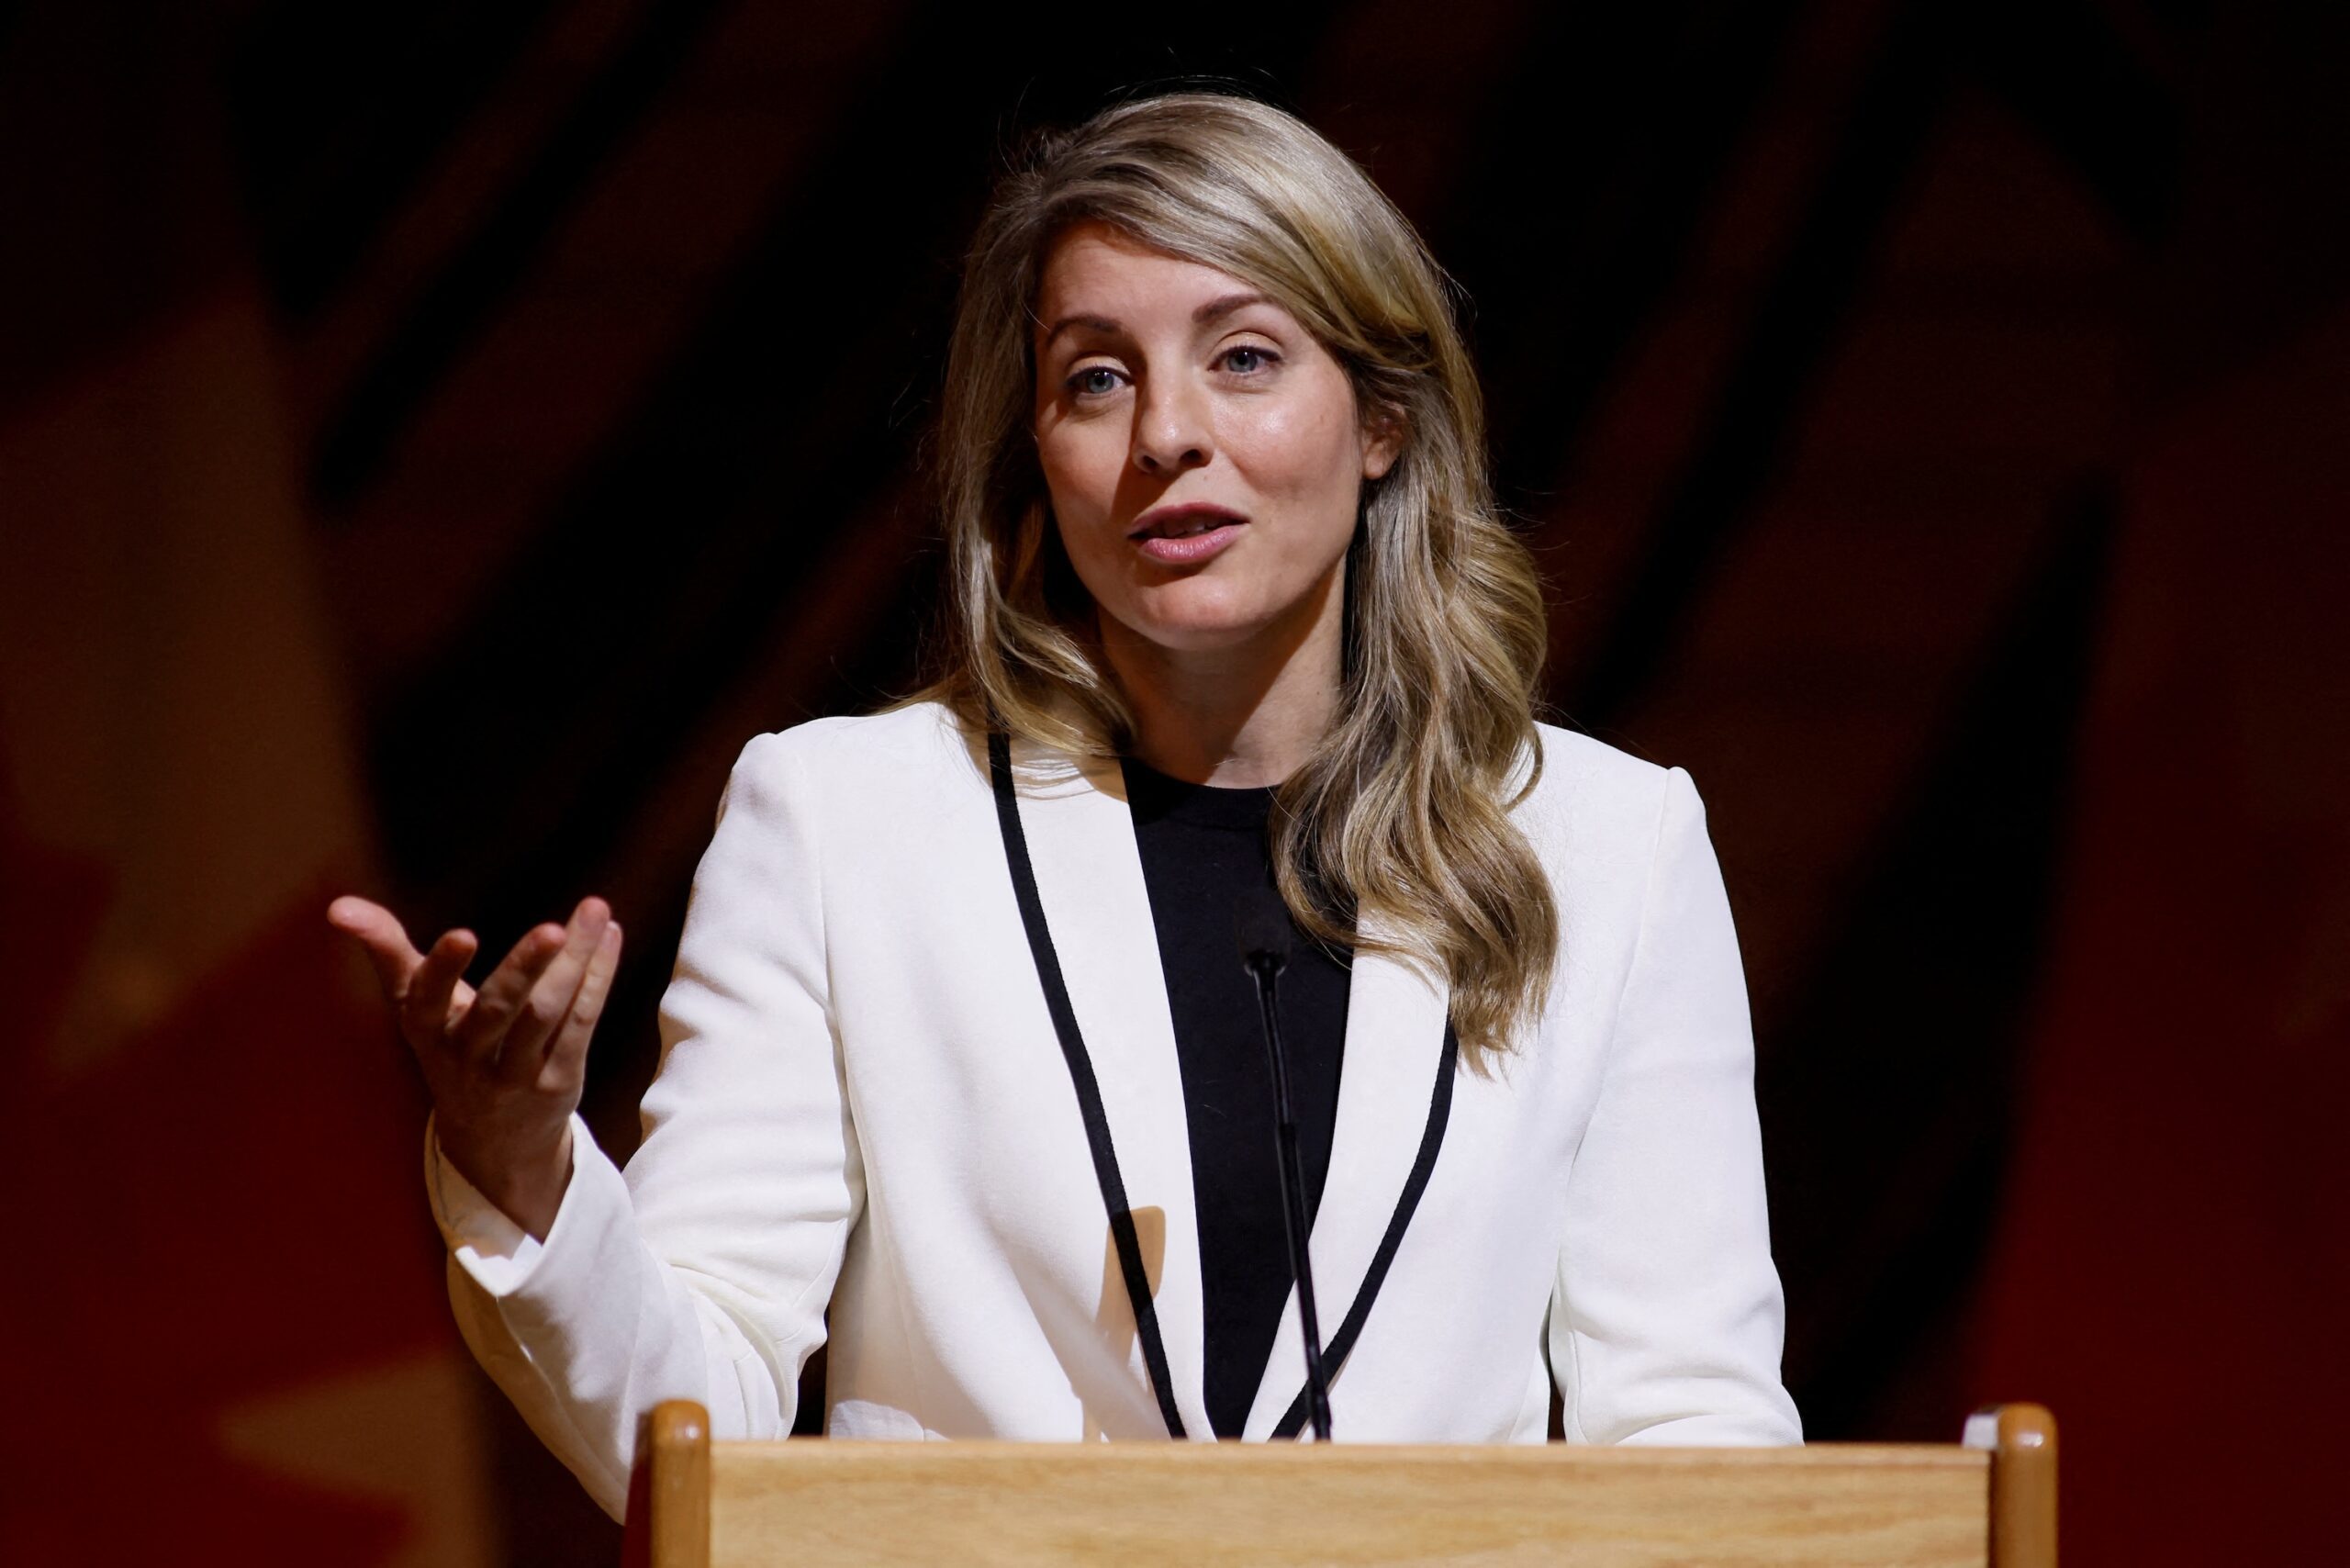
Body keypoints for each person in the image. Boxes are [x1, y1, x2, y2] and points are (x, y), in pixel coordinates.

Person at [330, 90, 1801, 1522]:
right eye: (1097, 377)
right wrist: (523, 1170)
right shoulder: (847, 824)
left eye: (1242, 357)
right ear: (1034, 456)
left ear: (1383, 421)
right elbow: (690, 1430)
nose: (1166, 433)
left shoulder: (1608, 848)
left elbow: (1696, 1440)